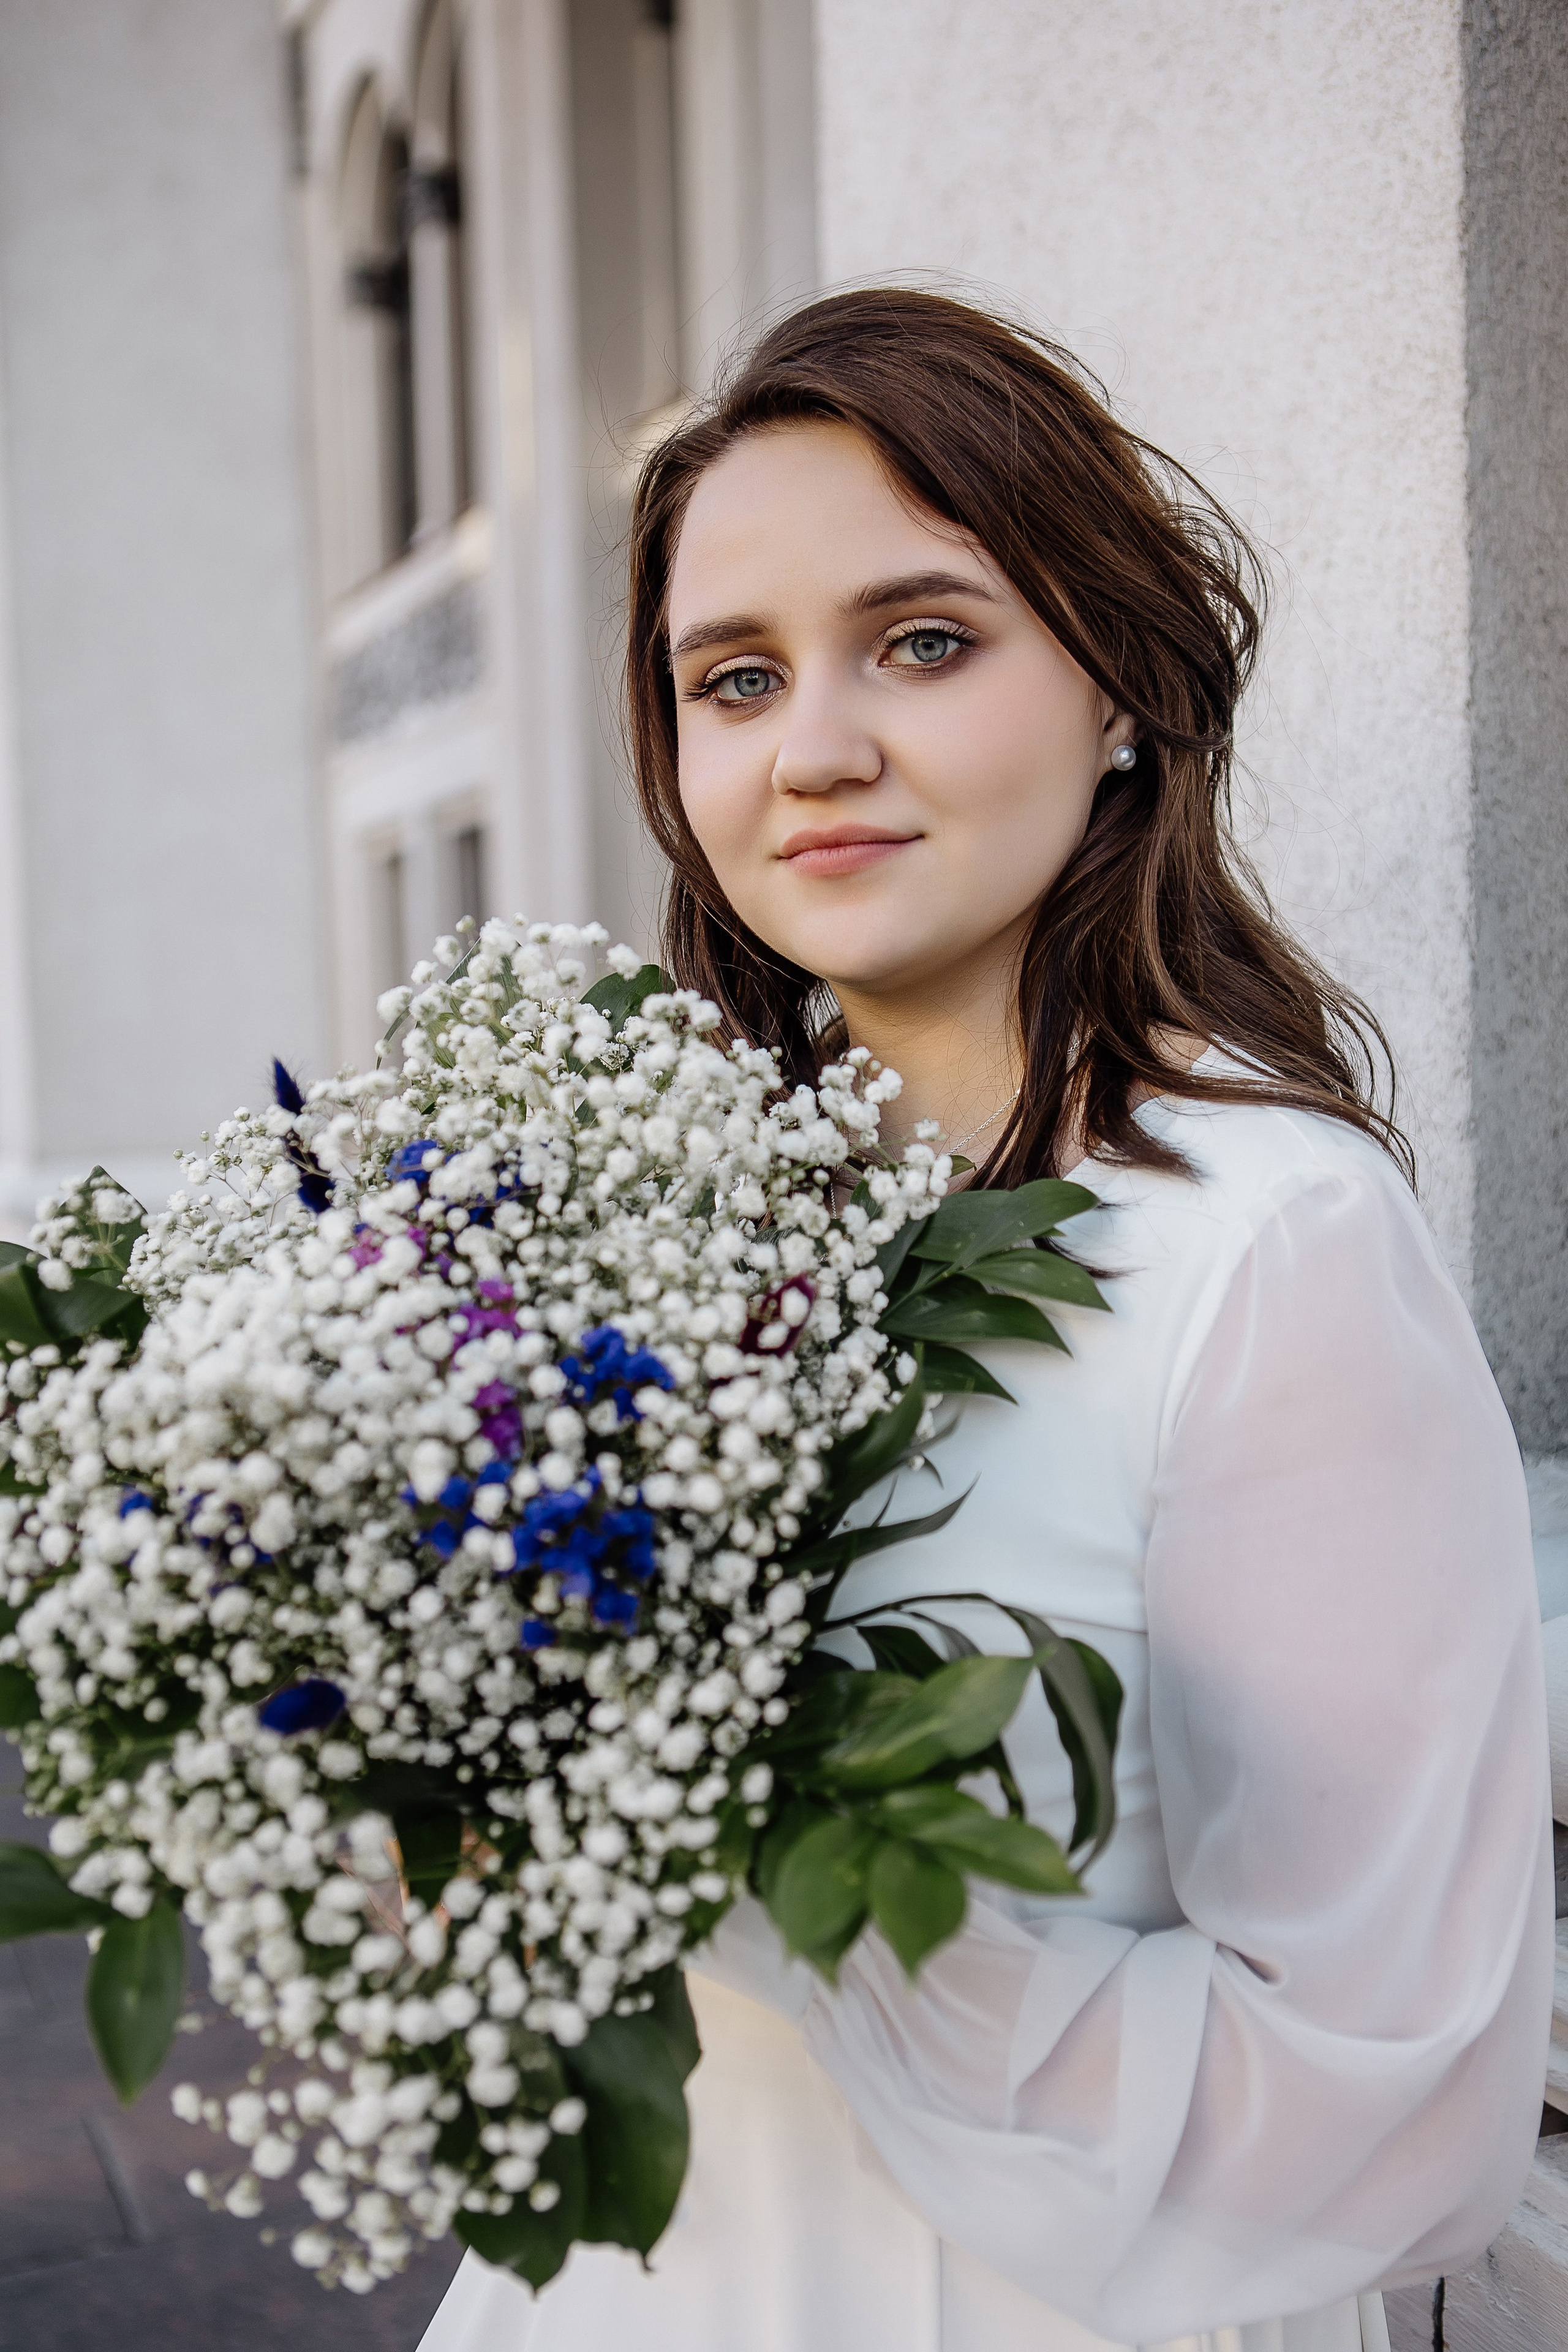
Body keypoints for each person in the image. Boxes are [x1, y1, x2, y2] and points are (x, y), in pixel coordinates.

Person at [418, 290, 1551, 2352]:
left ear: (1119, 688)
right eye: (733, 678)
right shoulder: (635, 1231)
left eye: (923, 642)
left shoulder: (1267, 1249)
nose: (818, 746)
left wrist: (766, 1866)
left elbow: (1399, 2104)